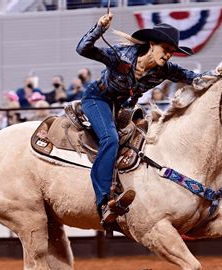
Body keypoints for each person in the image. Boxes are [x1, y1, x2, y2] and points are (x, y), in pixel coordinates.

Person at [76, 14, 211, 224]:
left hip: (125, 108)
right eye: (165, 49)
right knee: (110, 139)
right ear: (152, 44)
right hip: (98, 99)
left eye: (172, 52)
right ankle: (103, 201)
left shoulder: (165, 70)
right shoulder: (121, 56)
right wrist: (99, 28)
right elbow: (83, 49)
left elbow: (196, 78)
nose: (168, 55)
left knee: (145, 146)